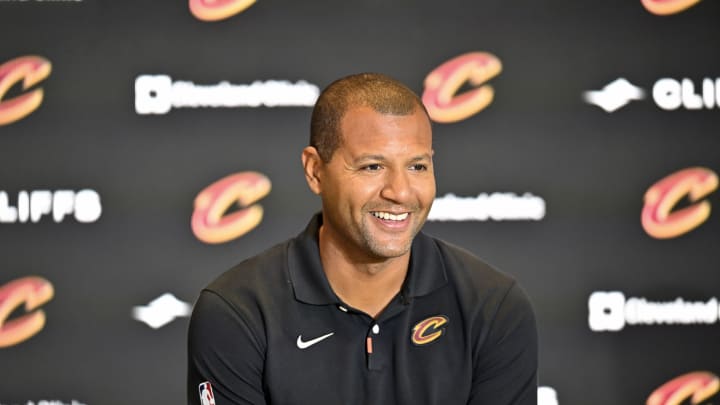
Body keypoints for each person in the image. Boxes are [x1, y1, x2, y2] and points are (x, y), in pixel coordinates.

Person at [187, 73, 538, 405]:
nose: (400, 192)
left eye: (417, 166)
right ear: (315, 171)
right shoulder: (238, 311)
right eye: (372, 166)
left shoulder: (493, 307)